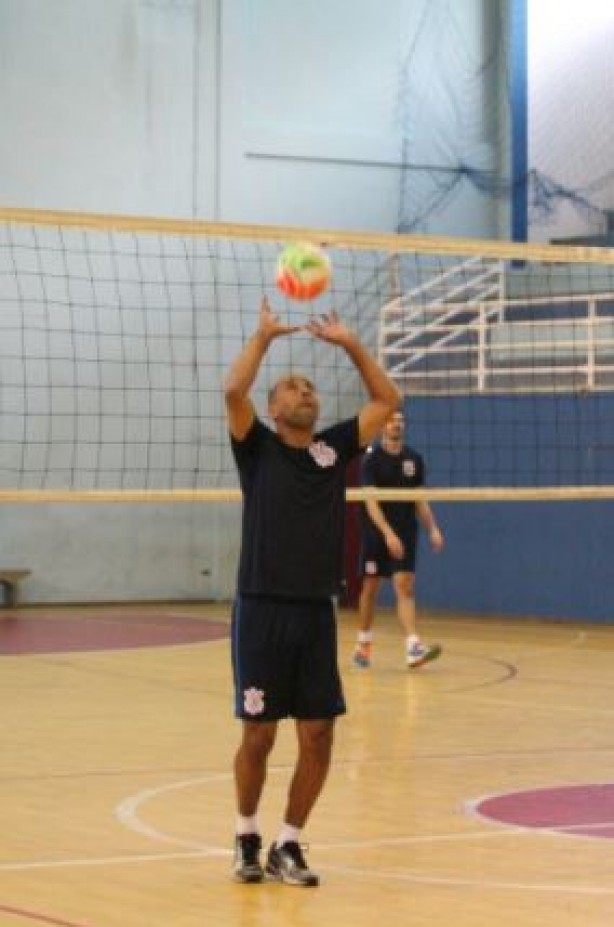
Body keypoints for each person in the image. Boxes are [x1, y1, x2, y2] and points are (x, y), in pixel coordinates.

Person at [224, 296, 400, 887]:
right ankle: (246, 833)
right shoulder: (257, 449)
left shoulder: (332, 450)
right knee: (259, 733)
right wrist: (264, 338)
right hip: (262, 610)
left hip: (315, 612)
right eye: (293, 389)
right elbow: (232, 392)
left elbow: (387, 401)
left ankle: (289, 844)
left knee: (319, 733)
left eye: (310, 388)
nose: (305, 393)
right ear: (274, 408)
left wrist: (350, 344)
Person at [353, 409, 444, 670]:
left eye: (401, 420)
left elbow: (419, 499)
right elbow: (370, 502)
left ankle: (413, 647)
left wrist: (433, 529)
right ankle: (363, 643)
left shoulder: (413, 459)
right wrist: (387, 533)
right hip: (376, 531)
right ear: (382, 426)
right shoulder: (371, 459)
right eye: (392, 420)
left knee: (405, 586)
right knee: (370, 588)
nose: (397, 424)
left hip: (405, 531)